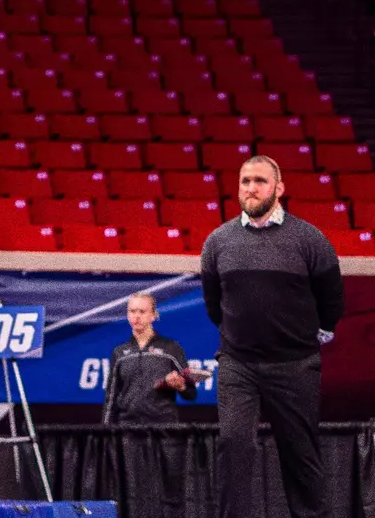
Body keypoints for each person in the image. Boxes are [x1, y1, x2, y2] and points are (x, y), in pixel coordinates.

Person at [200, 155, 344, 518]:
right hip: (238, 364)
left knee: (300, 453)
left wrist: (310, 338)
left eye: (260, 181)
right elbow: (214, 304)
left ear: (278, 188)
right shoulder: (217, 242)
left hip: (294, 365)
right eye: (245, 181)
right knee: (233, 445)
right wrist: (238, 336)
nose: (251, 188)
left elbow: (332, 298)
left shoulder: (310, 239)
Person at [102, 293, 197, 423]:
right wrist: (107, 434)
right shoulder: (119, 353)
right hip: (128, 430)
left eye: (142, 311)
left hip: (164, 431)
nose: (137, 316)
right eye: (132, 311)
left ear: (153, 315)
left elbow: (191, 394)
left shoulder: (171, 348)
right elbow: (111, 398)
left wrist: (180, 387)